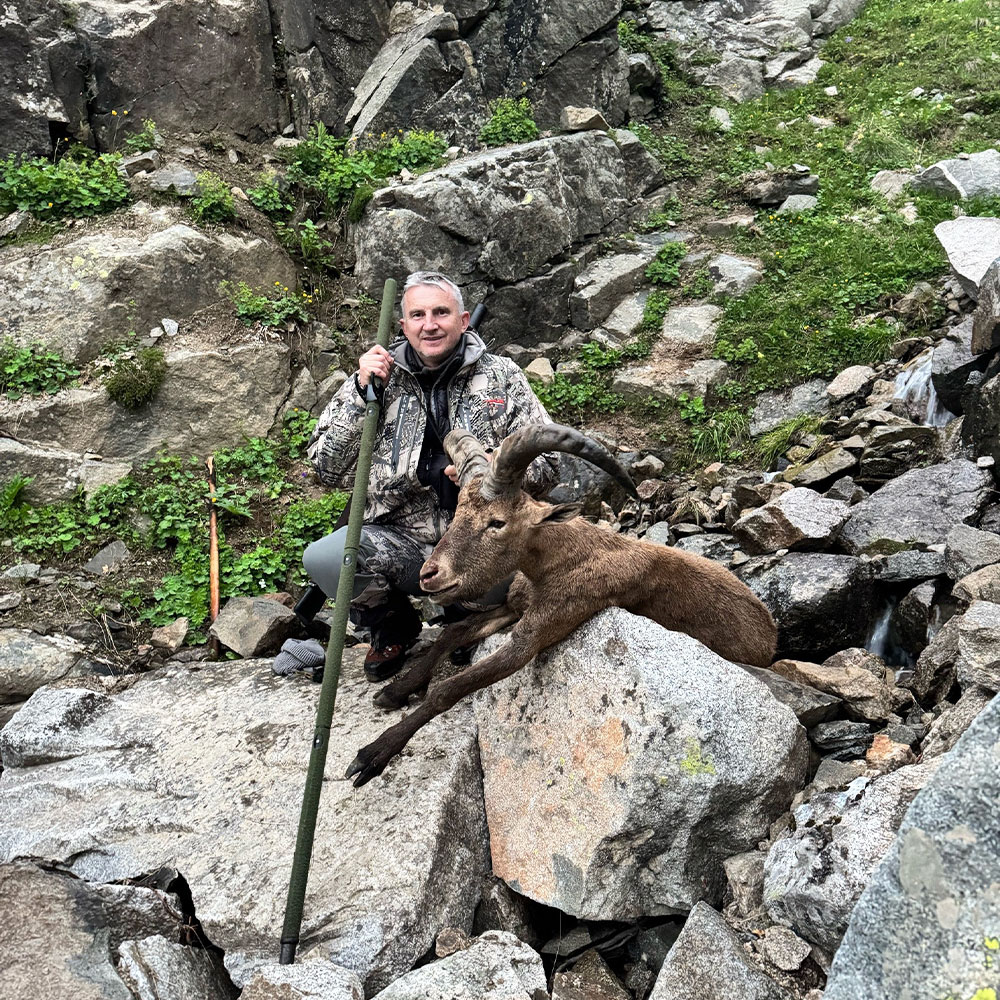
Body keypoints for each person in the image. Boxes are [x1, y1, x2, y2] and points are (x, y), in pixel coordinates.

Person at [301, 271, 557, 682]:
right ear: (403, 326)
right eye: (418, 315)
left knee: (528, 570)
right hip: (401, 540)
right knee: (327, 558)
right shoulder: (374, 380)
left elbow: (549, 465)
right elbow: (325, 468)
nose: (430, 324)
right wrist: (361, 395)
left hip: (480, 539)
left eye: (441, 312)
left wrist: (496, 471)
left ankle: (468, 621)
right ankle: (392, 626)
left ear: (464, 320)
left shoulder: (503, 376)